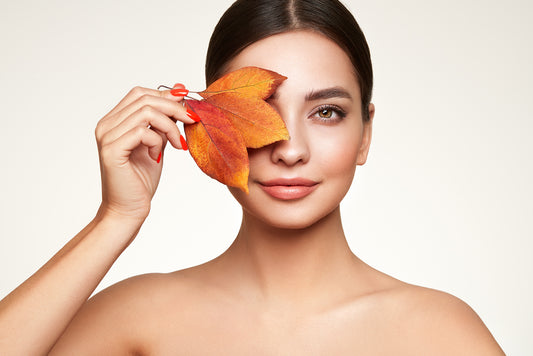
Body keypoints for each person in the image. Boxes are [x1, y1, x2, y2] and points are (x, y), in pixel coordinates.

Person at [0, 0, 504, 354]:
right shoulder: (140, 316)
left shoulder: (436, 332)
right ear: (202, 123)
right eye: (257, 112)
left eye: (327, 112)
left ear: (366, 134)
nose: (290, 149)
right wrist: (116, 218)